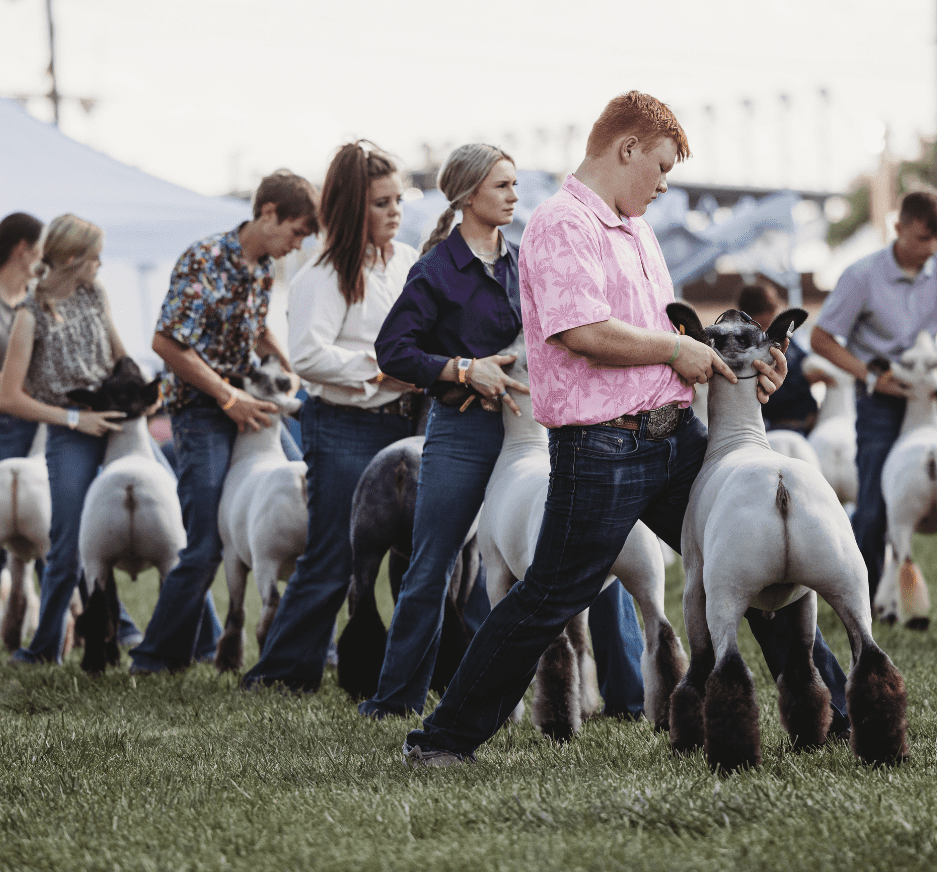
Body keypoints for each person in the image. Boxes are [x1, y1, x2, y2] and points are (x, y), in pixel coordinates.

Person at [401, 91, 850, 765]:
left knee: (752, 557)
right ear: (627, 148)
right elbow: (581, 331)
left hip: (674, 438)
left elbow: (662, 335)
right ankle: (440, 741)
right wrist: (677, 351)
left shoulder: (635, 228)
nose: (665, 182)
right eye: (662, 165)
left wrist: (746, 363)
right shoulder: (560, 224)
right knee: (549, 597)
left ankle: (835, 713)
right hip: (602, 448)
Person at [360, 143, 649, 720]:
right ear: (468, 196)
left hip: (534, 430)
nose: (515, 196)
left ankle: (629, 698)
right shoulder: (435, 268)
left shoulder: (526, 260)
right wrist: (463, 368)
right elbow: (392, 351)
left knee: (598, 551)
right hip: (463, 433)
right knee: (432, 564)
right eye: (502, 186)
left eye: (515, 185)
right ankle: (395, 702)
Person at [241, 143, 420, 691]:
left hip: (407, 423)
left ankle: (395, 669)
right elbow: (310, 357)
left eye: (399, 200)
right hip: (344, 424)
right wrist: (384, 370)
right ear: (350, 209)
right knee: (332, 556)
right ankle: (280, 672)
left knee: (417, 554)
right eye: (382, 203)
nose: (395, 211)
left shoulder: (408, 260)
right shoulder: (321, 274)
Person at [129, 171, 319, 674]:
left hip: (249, 405)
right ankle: (154, 659)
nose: (296, 244)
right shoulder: (204, 259)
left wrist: (288, 368)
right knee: (207, 543)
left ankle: (311, 650)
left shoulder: (260, 269)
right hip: (200, 412)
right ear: (269, 213)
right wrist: (227, 396)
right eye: (296, 232)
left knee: (314, 504)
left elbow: (255, 330)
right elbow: (166, 342)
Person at [810, 188, 937, 603]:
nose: (929, 248)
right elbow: (822, 338)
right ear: (898, 228)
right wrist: (870, 377)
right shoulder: (861, 275)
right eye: (921, 238)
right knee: (872, 507)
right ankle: (865, 599)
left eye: (936, 238)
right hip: (882, 399)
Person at [0, 214, 137, 664]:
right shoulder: (29, 313)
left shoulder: (96, 293)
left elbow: (120, 355)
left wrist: (142, 393)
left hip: (117, 421)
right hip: (71, 432)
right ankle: (44, 650)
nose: (101, 264)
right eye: (96, 256)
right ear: (75, 258)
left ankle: (195, 639)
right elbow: (9, 396)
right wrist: (75, 420)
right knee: (67, 541)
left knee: (170, 526)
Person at [738, 281, 819, 433]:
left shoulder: (782, 336)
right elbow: (769, 395)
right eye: (773, 305)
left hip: (805, 425)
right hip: (781, 428)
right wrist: (804, 378)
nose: (778, 308)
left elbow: (804, 359)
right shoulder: (746, 348)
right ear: (759, 312)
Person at [0, 213, 45, 463]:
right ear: (22, 249)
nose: (46, 258)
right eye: (41, 249)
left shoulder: (39, 300)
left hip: (41, 419)